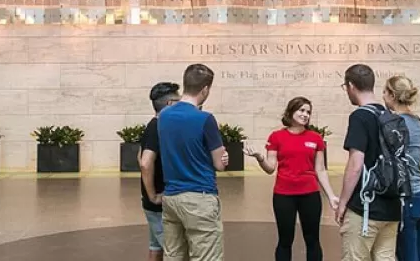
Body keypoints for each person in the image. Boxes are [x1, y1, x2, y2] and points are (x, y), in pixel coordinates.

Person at [142, 64, 228, 261]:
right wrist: (222, 158)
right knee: (206, 256)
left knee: (173, 255)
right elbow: (219, 164)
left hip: (171, 197)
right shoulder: (205, 119)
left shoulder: (163, 117)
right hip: (200, 197)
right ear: (205, 89)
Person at [244, 97, 340, 261]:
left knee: (312, 240)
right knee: (285, 240)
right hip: (284, 195)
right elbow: (270, 168)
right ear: (291, 112)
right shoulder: (276, 137)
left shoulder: (315, 138)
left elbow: (321, 170)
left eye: (308, 112)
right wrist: (259, 157)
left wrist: (331, 196)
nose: (305, 115)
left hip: (310, 194)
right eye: (301, 110)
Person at [335, 64, 401, 261]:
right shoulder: (390, 116)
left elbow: (356, 165)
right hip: (392, 207)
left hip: (365, 207)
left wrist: (343, 204)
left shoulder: (360, 116)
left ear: (351, 86)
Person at [383, 76, 420, 261]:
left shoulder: (395, 123)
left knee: (406, 254)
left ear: (393, 95)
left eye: (385, 92)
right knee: (418, 252)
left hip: (405, 197)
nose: (383, 96)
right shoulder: (417, 121)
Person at [139, 82, 182, 261]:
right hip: (158, 204)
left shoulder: (153, 126)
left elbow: (140, 156)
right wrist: (153, 196)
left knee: (155, 246)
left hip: (155, 203)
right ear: (170, 104)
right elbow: (145, 163)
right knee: (174, 252)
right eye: (179, 102)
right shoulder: (157, 127)